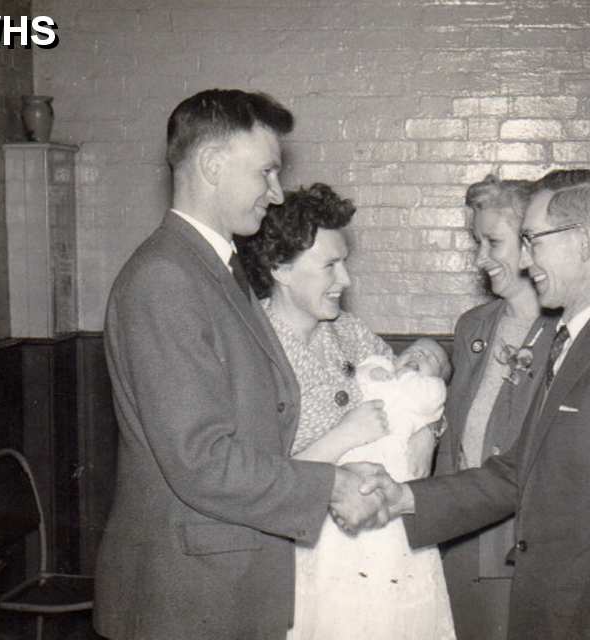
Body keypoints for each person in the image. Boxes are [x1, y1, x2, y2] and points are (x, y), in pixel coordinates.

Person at [93, 90, 387, 640]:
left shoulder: (214, 267)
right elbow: (201, 460)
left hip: (227, 577)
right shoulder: (166, 278)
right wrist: (329, 485)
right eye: (266, 172)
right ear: (211, 165)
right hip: (189, 594)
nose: (275, 194)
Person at [364, 169, 590, 639]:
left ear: (582, 241)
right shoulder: (576, 343)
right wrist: (406, 498)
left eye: (533, 239)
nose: (527, 259)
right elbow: (516, 473)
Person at [237, 183, 456, 640]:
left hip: (382, 546)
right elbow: (252, 480)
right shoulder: (251, 347)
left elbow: (411, 395)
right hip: (304, 555)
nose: (346, 280)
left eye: (346, 263)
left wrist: (427, 433)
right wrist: (345, 435)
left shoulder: (350, 331)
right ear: (280, 268)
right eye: (330, 266)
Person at [435, 174, 560, 640]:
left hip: (523, 543)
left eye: (492, 242)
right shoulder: (473, 325)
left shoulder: (567, 334)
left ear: (530, 245)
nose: (479, 258)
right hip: (460, 532)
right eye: (476, 242)